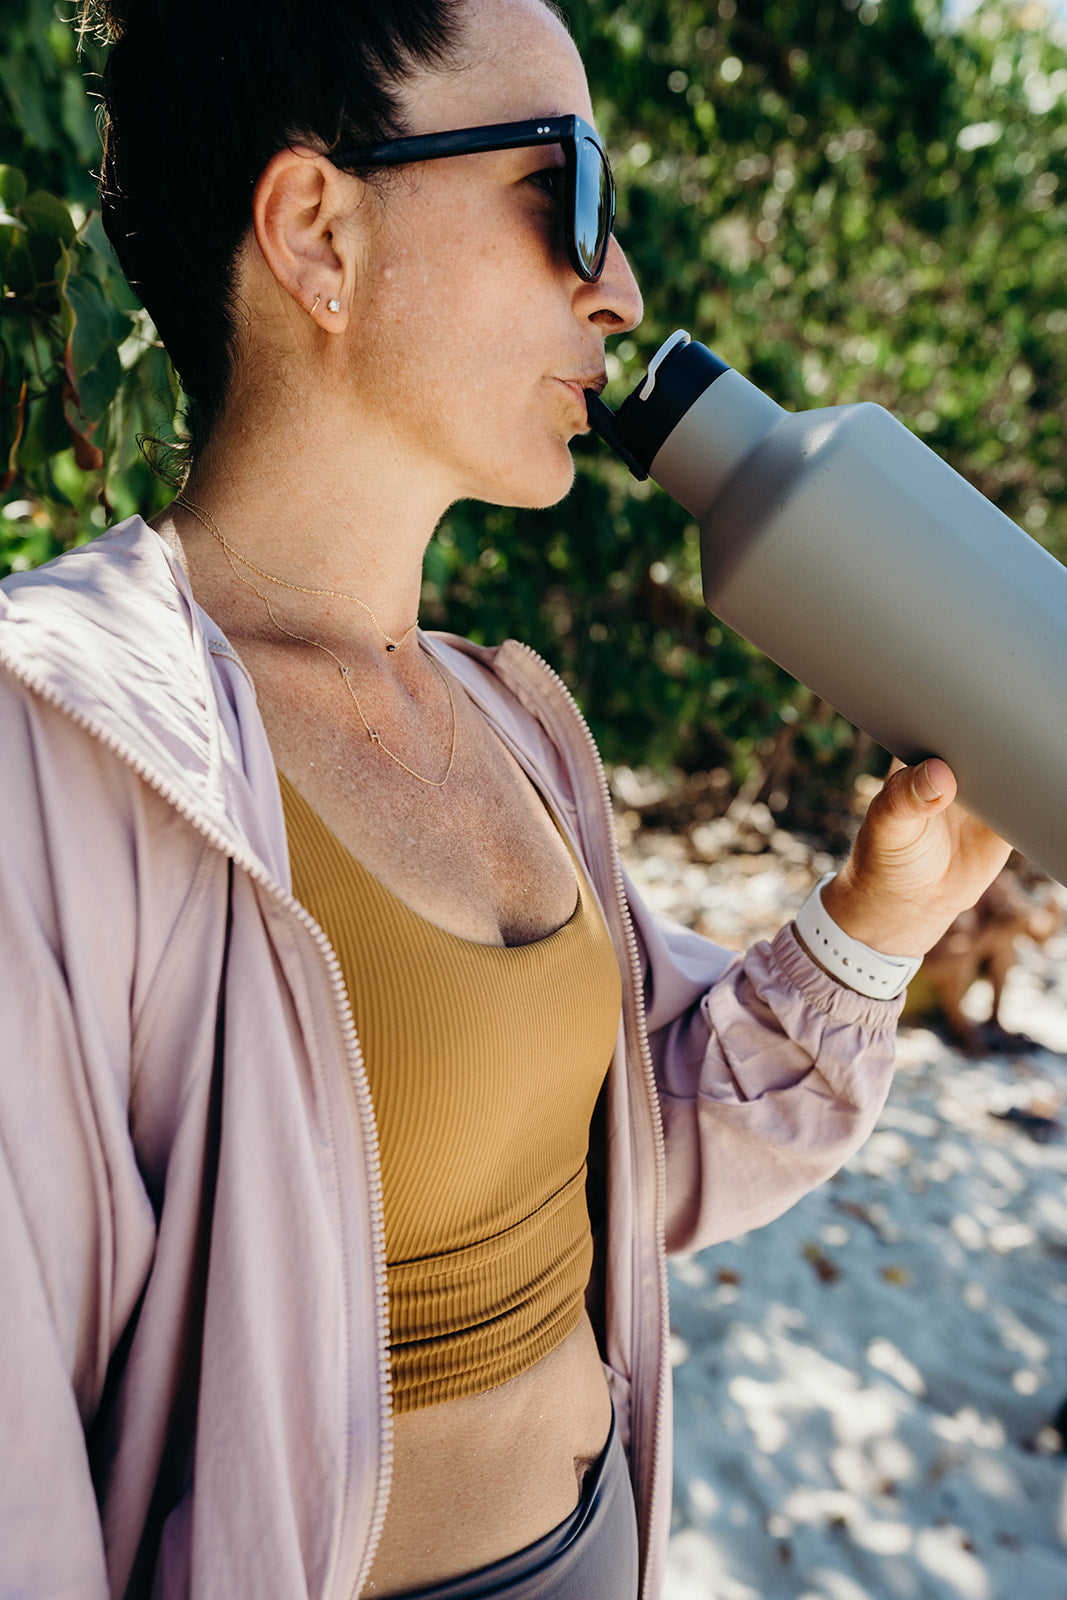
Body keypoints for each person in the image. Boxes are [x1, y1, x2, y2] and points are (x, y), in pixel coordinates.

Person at [0, 0, 1010, 1596]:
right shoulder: (58, 755)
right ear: (318, 232)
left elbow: (630, 1165)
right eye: (569, 188)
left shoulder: (502, 714)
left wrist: (880, 919)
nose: (617, 290)